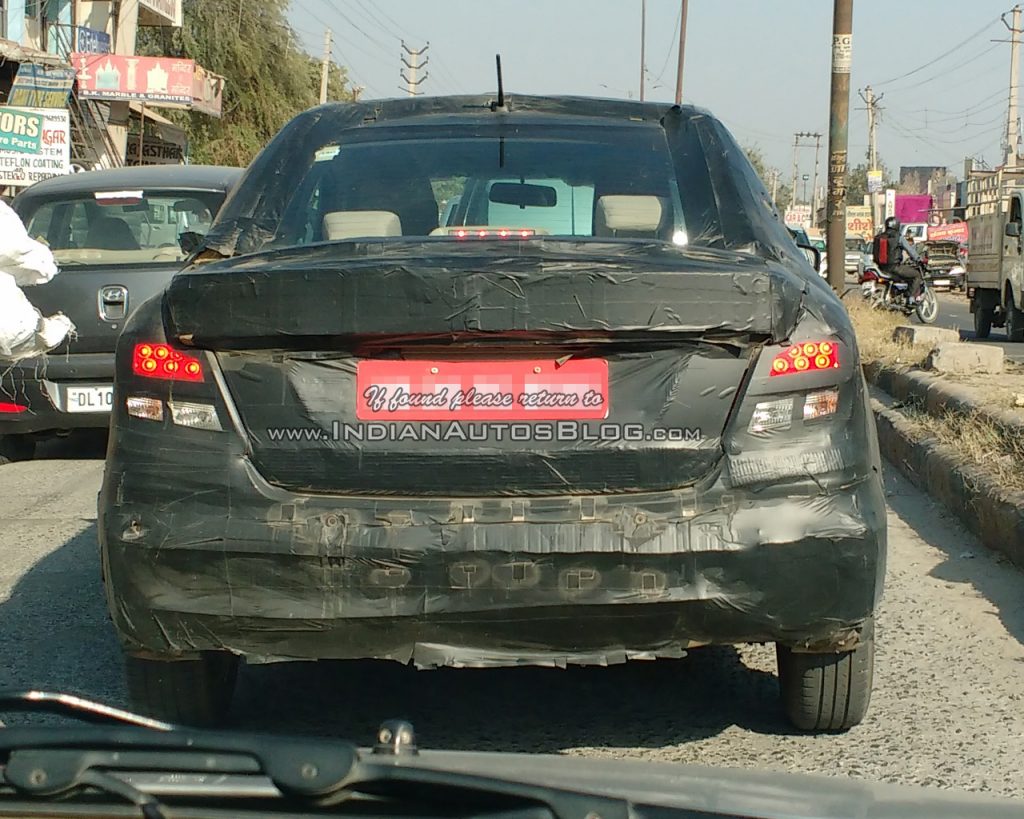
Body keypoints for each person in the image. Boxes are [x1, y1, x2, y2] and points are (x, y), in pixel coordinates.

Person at [875, 216, 924, 304]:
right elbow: (910, 250)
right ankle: (910, 298)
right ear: (897, 226)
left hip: (881, 268)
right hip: (895, 268)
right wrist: (918, 259)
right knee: (916, 275)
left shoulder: (878, 237)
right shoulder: (898, 237)